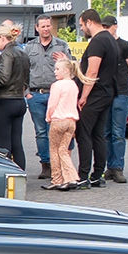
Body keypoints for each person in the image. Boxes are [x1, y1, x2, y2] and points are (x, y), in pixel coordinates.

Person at [23, 15, 72, 180]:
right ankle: (46, 164)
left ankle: (60, 162)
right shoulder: (29, 47)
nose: (46, 29)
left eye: (48, 26)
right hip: (36, 95)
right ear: (36, 28)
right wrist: (27, 93)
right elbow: (23, 71)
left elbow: (71, 71)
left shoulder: (62, 46)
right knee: (41, 132)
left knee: (58, 130)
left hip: (56, 95)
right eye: (42, 26)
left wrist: (66, 61)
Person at [74, 9, 118, 187]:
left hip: (95, 94)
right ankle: (98, 174)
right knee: (98, 134)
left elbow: (92, 71)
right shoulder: (111, 40)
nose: (82, 29)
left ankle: (83, 176)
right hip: (107, 92)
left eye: (82, 25)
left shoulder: (98, 41)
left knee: (83, 133)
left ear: (89, 22)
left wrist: (83, 96)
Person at [101, 14, 128, 184]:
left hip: (120, 92)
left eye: (108, 27)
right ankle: (109, 166)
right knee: (106, 132)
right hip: (106, 93)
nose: (106, 30)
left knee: (118, 132)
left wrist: (120, 78)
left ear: (115, 27)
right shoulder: (102, 44)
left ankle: (117, 167)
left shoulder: (125, 46)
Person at [0, 24, 29, 169]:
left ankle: (6, 174)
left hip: (4, 101)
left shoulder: (7, 53)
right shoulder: (22, 52)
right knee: (17, 143)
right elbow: (26, 80)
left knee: (3, 144)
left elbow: (3, 78)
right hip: (19, 99)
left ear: (2, 38)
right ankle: (20, 173)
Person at [43, 57, 83, 190]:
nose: (55, 72)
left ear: (66, 70)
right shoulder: (73, 85)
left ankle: (57, 179)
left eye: (57, 69)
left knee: (54, 150)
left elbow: (52, 104)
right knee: (63, 150)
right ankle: (71, 177)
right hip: (71, 122)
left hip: (58, 120)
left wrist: (48, 117)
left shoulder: (57, 85)